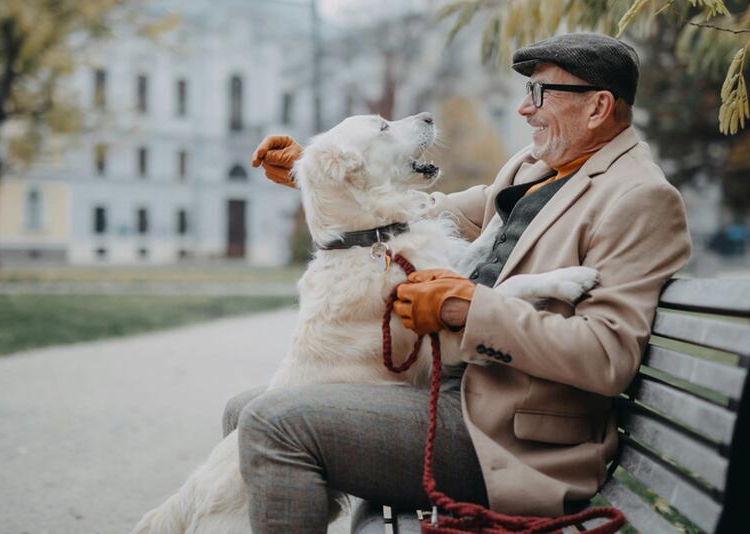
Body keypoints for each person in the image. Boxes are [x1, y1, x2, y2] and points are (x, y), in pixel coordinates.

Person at [225, 33, 691, 532]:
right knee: (245, 408)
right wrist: (321, 173)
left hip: (505, 437)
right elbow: (425, 211)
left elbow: (606, 357)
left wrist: (468, 308)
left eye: (538, 94)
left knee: (273, 423)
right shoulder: (535, 168)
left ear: (597, 106)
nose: (522, 109)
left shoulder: (639, 198)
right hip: (450, 394)